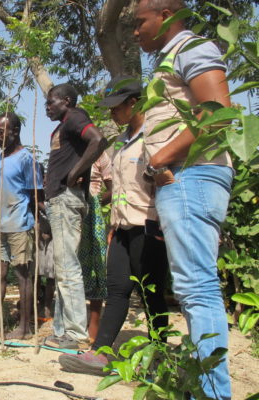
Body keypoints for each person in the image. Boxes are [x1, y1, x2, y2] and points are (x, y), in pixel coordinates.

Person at [135, 0, 234, 397]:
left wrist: (159, 159)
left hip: (190, 174)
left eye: (139, 22)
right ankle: (198, 387)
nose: (135, 30)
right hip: (180, 179)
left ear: (166, 16)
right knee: (192, 287)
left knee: (197, 288)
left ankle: (214, 394)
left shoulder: (192, 48)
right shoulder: (169, 60)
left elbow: (219, 115)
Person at [59, 76, 169, 376]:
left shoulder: (154, 137)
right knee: (117, 289)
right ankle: (100, 353)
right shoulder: (121, 142)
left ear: (134, 103)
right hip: (121, 227)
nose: (112, 114)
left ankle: (160, 354)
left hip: (148, 226)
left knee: (151, 293)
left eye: (116, 108)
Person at [43, 83, 108, 349]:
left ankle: (75, 334)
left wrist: (73, 173)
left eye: (51, 102)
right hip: (59, 201)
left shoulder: (75, 116)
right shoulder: (63, 125)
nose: (47, 107)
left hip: (66, 199)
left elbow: (99, 139)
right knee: (63, 267)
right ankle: (61, 330)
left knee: (68, 267)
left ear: (67, 101)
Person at [0, 112, 44, 340]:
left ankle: (25, 327)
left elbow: (36, 194)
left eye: (0, 131)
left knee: (23, 275)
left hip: (20, 225)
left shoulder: (27, 159)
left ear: (14, 131)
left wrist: (39, 225)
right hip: (1, 226)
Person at [78, 155, 111, 341]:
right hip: (71, 214)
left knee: (95, 269)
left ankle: (94, 322)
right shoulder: (67, 151)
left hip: (92, 217)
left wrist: (94, 205)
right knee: (72, 270)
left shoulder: (100, 156)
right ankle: (76, 322)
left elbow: (113, 190)